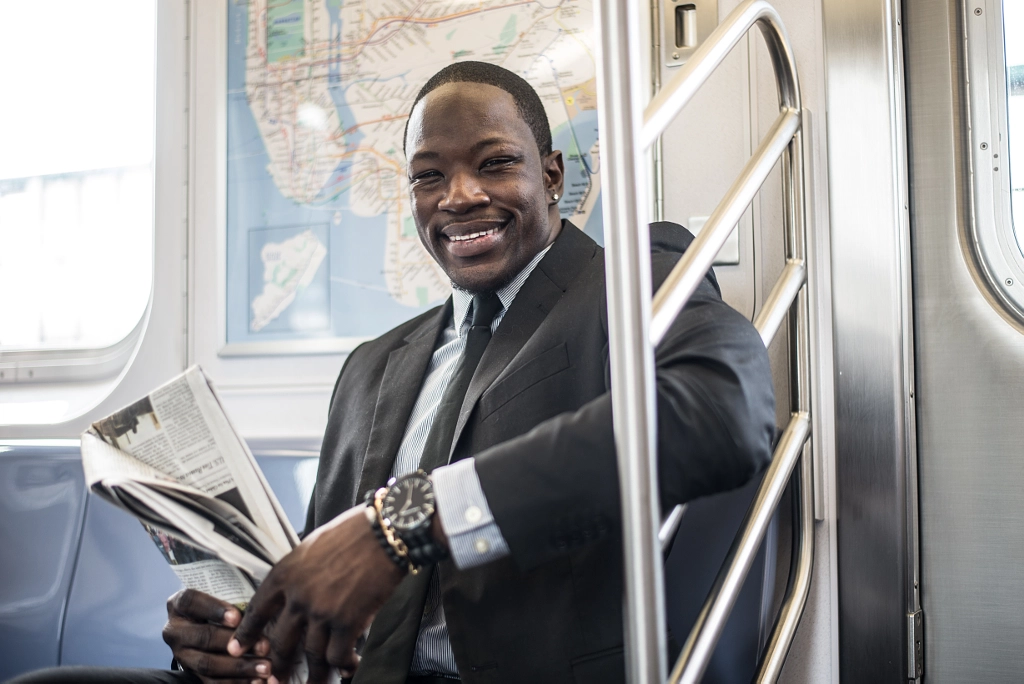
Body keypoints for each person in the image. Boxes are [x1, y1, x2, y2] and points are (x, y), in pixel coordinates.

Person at [8, 61, 774, 684]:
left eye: (495, 164)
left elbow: (722, 411)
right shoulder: (374, 367)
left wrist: (403, 523)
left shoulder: (630, 279)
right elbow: (329, 566)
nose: (459, 197)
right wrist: (235, 632)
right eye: (428, 176)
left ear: (552, 173)